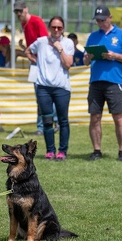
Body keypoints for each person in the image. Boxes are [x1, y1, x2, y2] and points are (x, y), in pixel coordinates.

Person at [84, 5, 122, 161]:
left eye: (103, 20)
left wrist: (114, 55)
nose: (100, 23)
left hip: (114, 82)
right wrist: (89, 57)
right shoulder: (93, 36)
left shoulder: (121, 35)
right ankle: (97, 150)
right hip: (96, 82)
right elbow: (85, 61)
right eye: (97, 20)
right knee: (95, 117)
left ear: (110, 18)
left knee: (118, 117)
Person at [25, 16, 74, 160]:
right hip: (43, 87)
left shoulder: (68, 42)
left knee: (63, 120)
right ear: (49, 28)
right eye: (54, 27)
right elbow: (28, 51)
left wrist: (60, 49)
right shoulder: (41, 42)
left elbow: (68, 64)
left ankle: (62, 151)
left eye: (59, 27)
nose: (57, 30)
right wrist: (36, 62)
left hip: (61, 87)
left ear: (63, 28)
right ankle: (50, 150)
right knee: (47, 120)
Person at [13, 1, 58, 135]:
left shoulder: (37, 21)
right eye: (16, 12)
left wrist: (40, 60)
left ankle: (52, 122)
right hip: (34, 62)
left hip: (42, 63)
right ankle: (42, 126)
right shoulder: (23, 23)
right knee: (39, 95)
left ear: (26, 9)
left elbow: (45, 42)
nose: (18, 14)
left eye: (20, 11)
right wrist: (26, 51)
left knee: (46, 93)